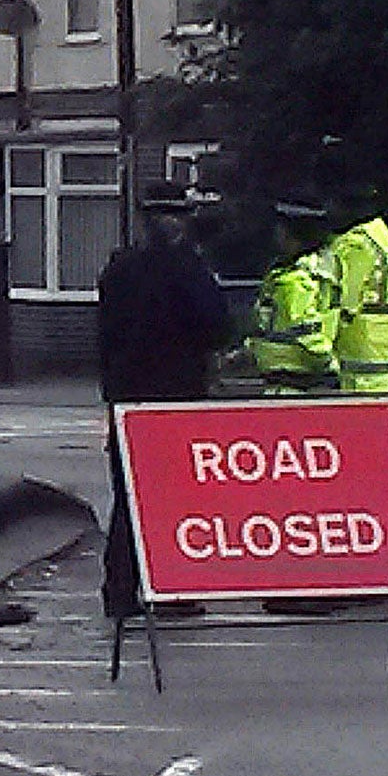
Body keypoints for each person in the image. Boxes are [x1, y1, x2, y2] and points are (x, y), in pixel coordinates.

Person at [96, 181, 231, 619]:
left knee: (130, 496)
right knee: (171, 499)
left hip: (129, 398)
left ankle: (120, 590)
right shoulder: (188, 270)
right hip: (176, 398)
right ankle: (170, 590)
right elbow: (217, 326)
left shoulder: (120, 270)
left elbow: (103, 337)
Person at [246, 199, 341, 394]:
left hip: (292, 384)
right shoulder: (294, 273)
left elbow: (304, 331)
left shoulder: (295, 281)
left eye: (281, 231)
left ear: (294, 237)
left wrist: (329, 365)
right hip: (288, 382)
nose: (276, 236)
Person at [327, 201, 388, 393]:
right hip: (376, 361)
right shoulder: (380, 241)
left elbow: (345, 303)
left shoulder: (356, 244)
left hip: (355, 366)